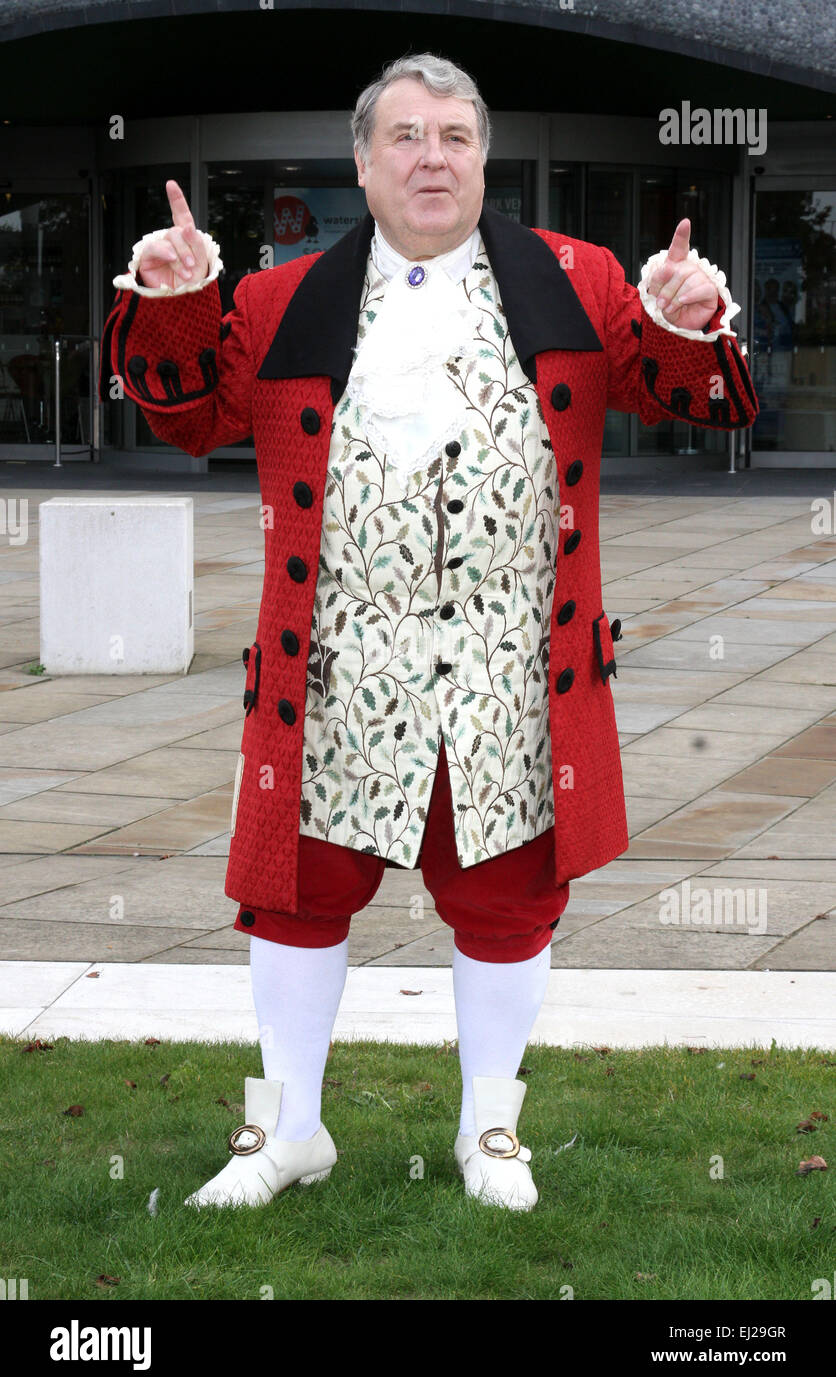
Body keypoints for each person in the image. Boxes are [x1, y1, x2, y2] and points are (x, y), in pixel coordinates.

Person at [100, 52, 758, 1214]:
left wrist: (681, 317)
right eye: (403, 136)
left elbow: (675, 393)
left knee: (505, 899)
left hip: (510, 668)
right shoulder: (277, 296)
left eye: (452, 135)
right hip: (338, 669)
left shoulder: (578, 276)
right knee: (298, 894)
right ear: (362, 162)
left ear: (483, 155)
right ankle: (288, 1129)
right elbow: (191, 418)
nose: (429, 157)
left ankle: (488, 1132)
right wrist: (175, 299)